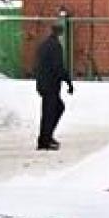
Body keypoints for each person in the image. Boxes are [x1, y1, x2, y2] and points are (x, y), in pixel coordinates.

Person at [34, 22, 73, 151]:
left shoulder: (44, 45)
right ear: (60, 33)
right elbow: (58, 67)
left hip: (43, 83)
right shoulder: (55, 46)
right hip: (51, 84)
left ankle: (46, 138)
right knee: (52, 111)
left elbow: (39, 65)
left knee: (52, 110)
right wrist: (68, 81)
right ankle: (45, 140)